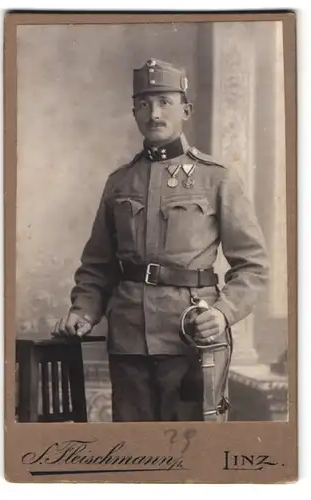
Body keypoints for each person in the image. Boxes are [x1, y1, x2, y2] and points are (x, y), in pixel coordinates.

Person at [54, 58, 269, 422]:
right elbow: (98, 264)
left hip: (190, 337)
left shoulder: (217, 179)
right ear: (134, 111)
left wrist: (222, 314)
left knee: (189, 453)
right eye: (144, 103)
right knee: (135, 451)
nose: (154, 113)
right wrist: (84, 310)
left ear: (185, 109)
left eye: (165, 102)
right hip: (129, 342)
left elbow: (253, 266)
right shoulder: (120, 182)